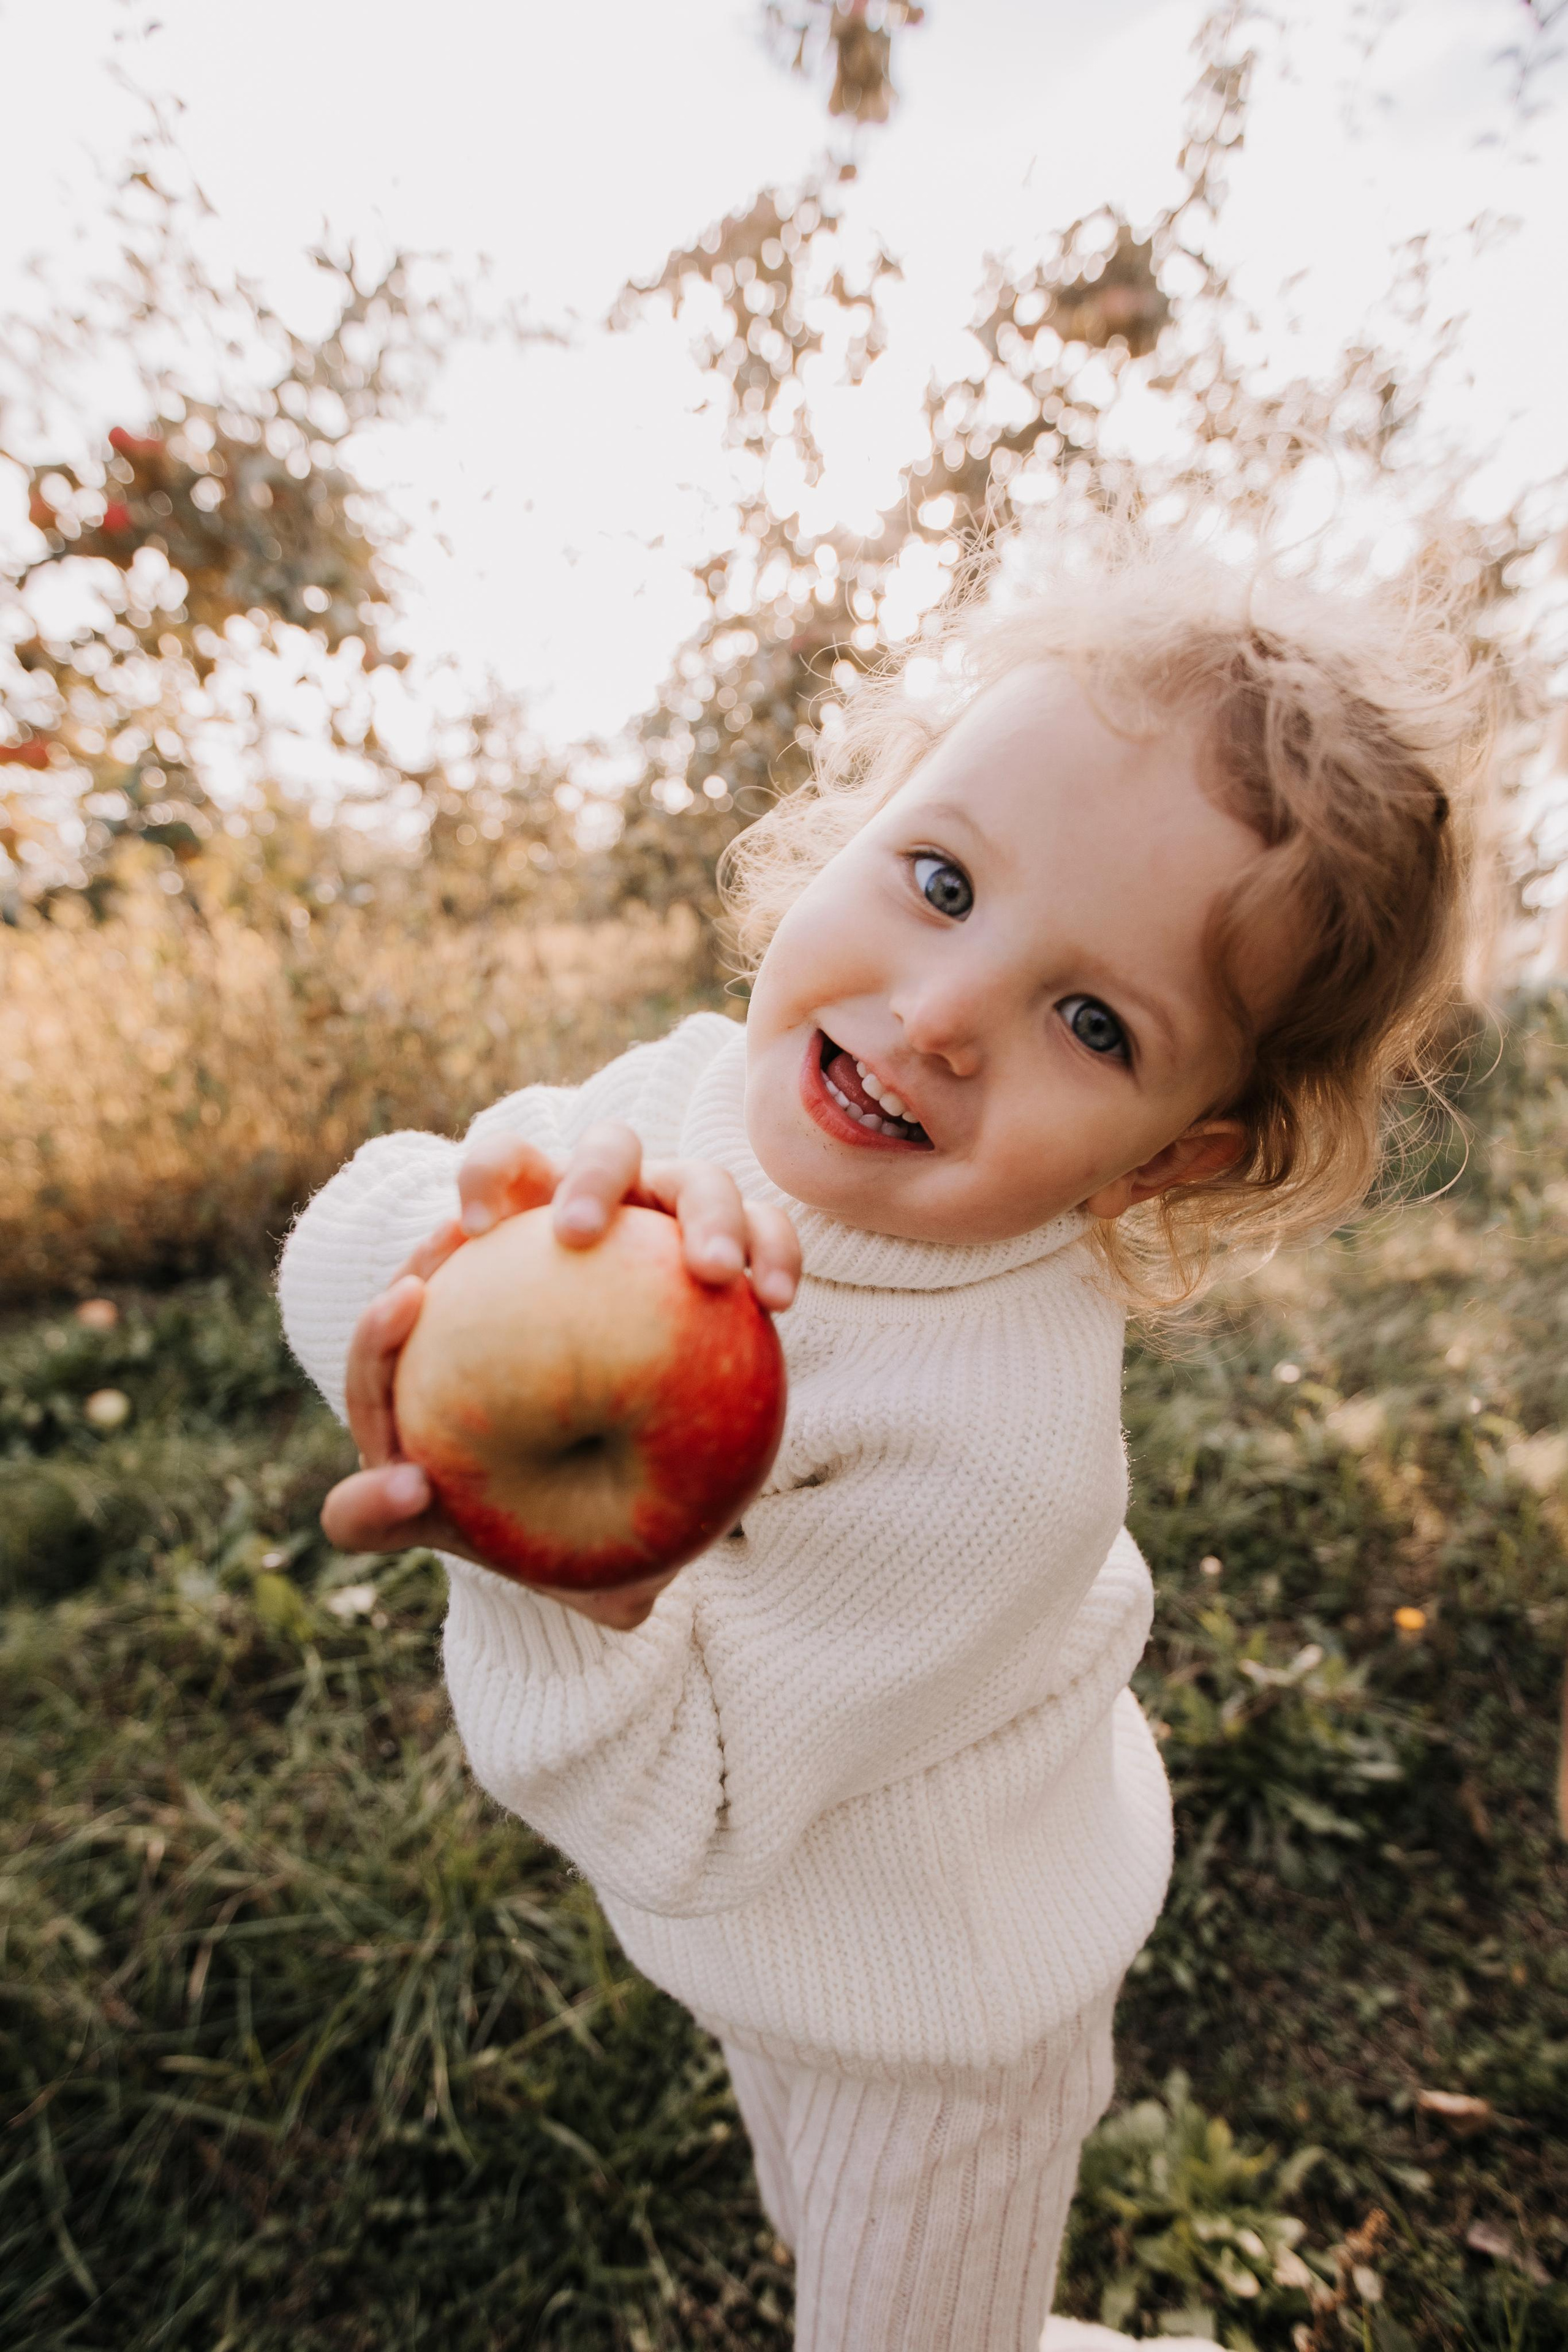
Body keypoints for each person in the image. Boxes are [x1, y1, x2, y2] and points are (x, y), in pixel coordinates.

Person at [277, 521, 1487, 2352]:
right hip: (775, 1964)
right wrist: (458, 1266)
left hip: (937, 2027)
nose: (936, 1017)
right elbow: (351, 1236)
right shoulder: (681, 1103)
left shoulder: (1000, 1453)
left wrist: (559, 1581)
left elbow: (691, 1811)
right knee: (811, 2220)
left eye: (1093, 1020)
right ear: (859, 820)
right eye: (940, 879)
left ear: (1171, 1156)